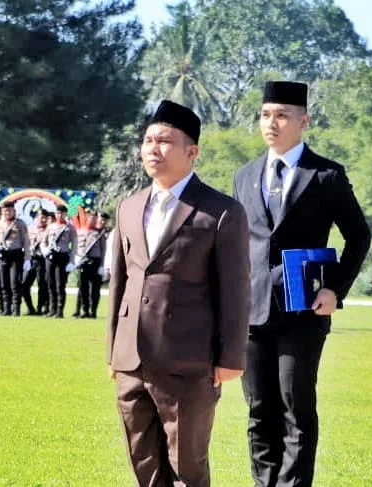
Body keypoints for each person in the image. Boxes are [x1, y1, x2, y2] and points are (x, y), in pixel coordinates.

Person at [232, 81, 371, 487]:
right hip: (251, 311)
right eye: (265, 115)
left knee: (296, 407)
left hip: (304, 310)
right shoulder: (244, 175)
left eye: (281, 115)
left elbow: (358, 236)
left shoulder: (326, 175)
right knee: (259, 410)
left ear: (303, 121)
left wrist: (335, 289)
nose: (271, 123)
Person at [107, 99, 251, 486]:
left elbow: (236, 290)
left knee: (187, 465)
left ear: (192, 151)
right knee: (143, 463)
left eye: (165, 141)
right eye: (148, 140)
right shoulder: (129, 207)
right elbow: (121, 283)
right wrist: (114, 352)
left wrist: (230, 357)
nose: (153, 149)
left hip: (189, 361)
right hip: (132, 360)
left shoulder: (221, 211)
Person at [0, 201, 31, 316]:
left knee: (15, 283)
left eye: (9, 210)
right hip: (3, 255)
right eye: (5, 211)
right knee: (4, 283)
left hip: (16, 255)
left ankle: (16, 308)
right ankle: (6, 308)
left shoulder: (20, 224)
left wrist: (27, 258)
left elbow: (26, 242)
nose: (7, 213)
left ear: (14, 211)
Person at [41, 204, 77, 318]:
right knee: (50, 284)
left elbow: (74, 245)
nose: (59, 215)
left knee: (60, 285)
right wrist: (45, 250)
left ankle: (60, 310)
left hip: (62, 257)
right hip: (51, 257)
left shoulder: (70, 227)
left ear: (65, 214)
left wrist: (72, 261)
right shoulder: (50, 226)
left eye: (62, 213)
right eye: (57, 213)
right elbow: (43, 241)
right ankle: (52, 309)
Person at [74, 210, 108, 319]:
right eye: (90, 218)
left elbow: (103, 250)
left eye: (94, 219)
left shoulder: (99, 234)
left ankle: (93, 311)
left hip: (95, 262)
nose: (92, 220)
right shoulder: (81, 232)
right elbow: (76, 247)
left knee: (95, 289)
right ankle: (85, 311)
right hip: (83, 261)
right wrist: (75, 258)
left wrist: (102, 265)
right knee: (83, 288)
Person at [21, 209, 51, 316]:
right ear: (36, 218)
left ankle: (40, 308)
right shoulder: (30, 230)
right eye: (39, 217)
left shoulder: (49, 231)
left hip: (42, 260)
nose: (42, 220)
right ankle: (31, 308)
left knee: (42, 285)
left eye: (44, 218)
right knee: (24, 284)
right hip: (31, 260)